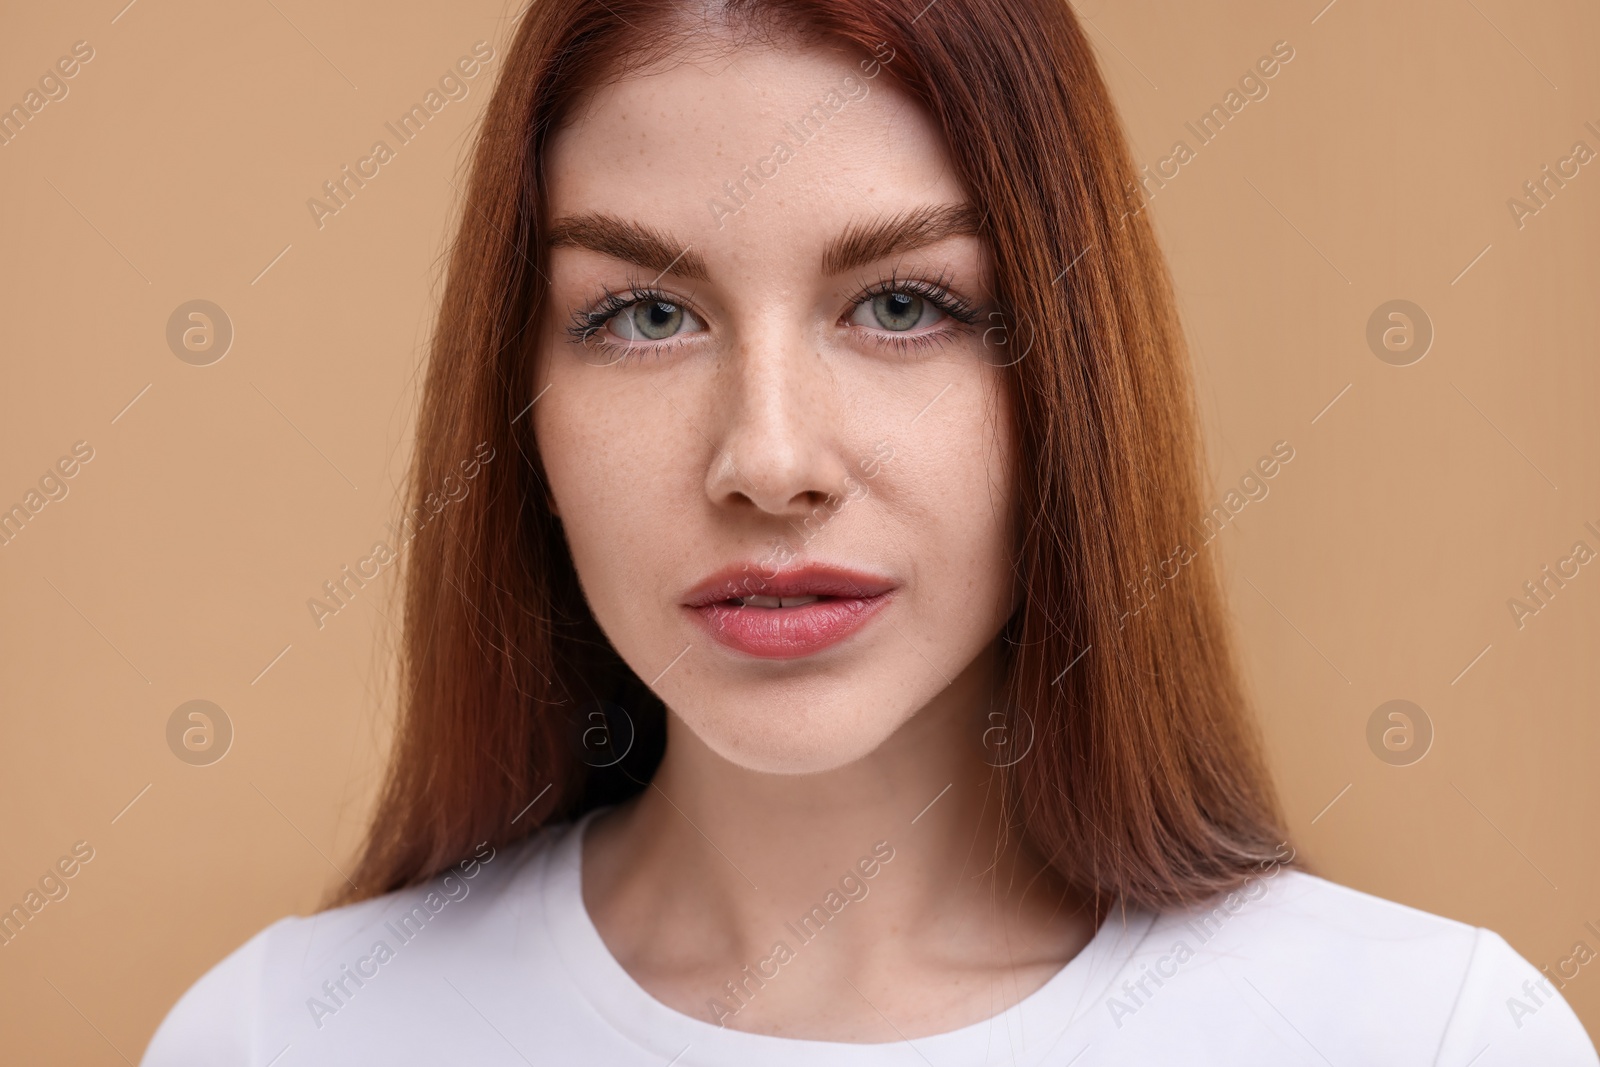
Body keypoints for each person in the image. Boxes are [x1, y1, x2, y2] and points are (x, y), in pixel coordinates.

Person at [141, 0, 1598, 1063]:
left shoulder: (1428, 1038)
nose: (769, 463)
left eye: (904, 304)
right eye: (645, 314)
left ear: (1066, 377)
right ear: (517, 399)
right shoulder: (281, 1038)